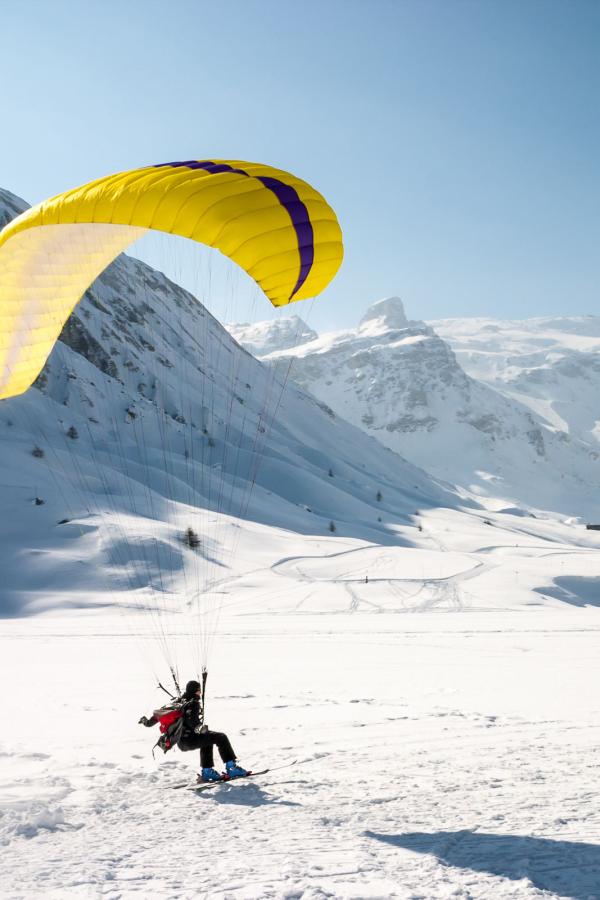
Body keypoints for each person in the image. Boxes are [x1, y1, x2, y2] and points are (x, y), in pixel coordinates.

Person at [139, 679, 249, 782]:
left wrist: (146, 722)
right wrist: (199, 727)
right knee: (221, 737)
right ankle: (232, 768)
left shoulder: (179, 702)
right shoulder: (193, 704)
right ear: (195, 691)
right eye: (199, 690)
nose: (200, 693)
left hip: (182, 742)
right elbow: (191, 719)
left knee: (207, 740)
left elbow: (157, 717)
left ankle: (207, 772)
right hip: (190, 740)